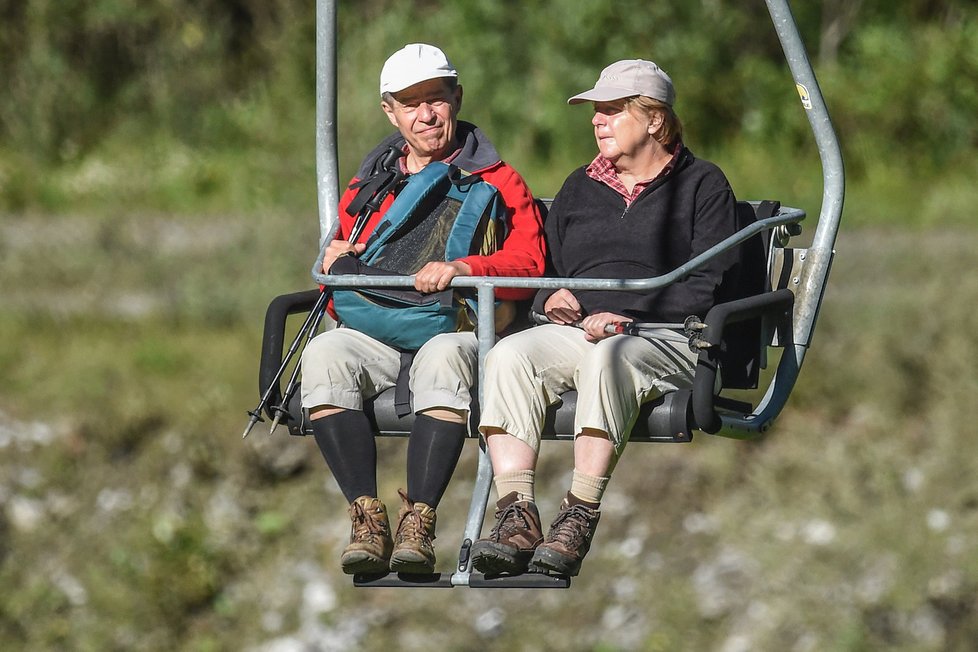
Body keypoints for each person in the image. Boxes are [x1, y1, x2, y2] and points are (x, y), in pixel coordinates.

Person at [470, 59, 740, 577]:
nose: (598, 122)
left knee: (612, 356)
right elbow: (549, 270)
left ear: (655, 120)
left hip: (669, 335)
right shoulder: (579, 187)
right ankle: (516, 513)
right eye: (597, 112)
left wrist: (625, 315)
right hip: (584, 331)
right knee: (509, 355)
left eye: (613, 112)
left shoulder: (703, 186)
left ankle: (579, 512)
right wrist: (548, 299)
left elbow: (708, 283)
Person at [300, 43, 545, 575]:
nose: (426, 115)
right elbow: (341, 257)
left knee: (443, 359)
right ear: (390, 111)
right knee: (324, 355)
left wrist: (465, 270)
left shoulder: (499, 180)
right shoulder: (371, 184)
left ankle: (420, 520)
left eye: (436, 99)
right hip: (379, 326)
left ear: (456, 99)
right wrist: (336, 254)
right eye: (411, 104)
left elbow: (531, 264)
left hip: (460, 328)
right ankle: (366, 516)